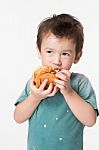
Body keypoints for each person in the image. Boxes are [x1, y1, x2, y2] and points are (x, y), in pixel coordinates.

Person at [14, 13, 98, 150]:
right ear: (39, 51)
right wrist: (35, 97)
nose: (56, 61)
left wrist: (69, 92)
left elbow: (90, 120)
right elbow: (18, 117)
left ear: (77, 56)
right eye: (49, 52)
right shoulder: (35, 83)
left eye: (65, 54)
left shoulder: (80, 82)